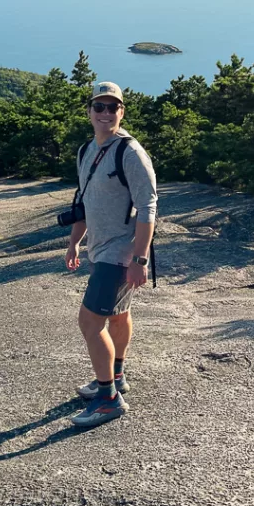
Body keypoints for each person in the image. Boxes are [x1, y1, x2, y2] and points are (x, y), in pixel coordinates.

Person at [65, 80, 157, 428]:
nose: (105, 113)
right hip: (100, 247)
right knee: (118, 316)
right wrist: (76, 241)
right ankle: (115, 377)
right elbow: (83, 200)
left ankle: (108, 400)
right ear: (89, 111)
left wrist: (139, 259)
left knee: (90, 322)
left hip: (120, 252)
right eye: (99, 107)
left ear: (121, 111)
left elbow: (149, 206)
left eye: (112, 107)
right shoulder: (87, 150)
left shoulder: (130, 152)